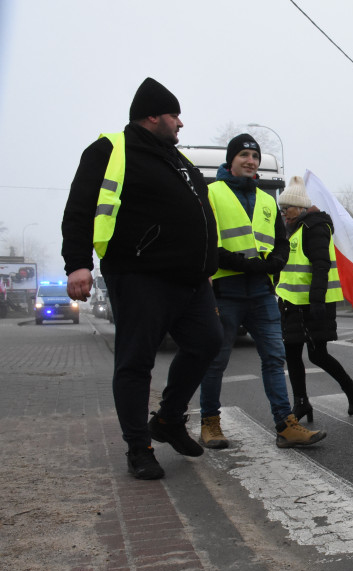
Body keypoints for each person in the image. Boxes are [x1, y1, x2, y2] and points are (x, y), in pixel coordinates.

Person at [61, 77, 223, 480]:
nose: (180, 123)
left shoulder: (177, 160)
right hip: (140, 274)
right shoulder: (111, 150)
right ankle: (139, 447)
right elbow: (80, 205)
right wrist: (77, 263)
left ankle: (168, 420)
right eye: (174, 115)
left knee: (207, 342)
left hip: (191, 281)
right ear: (152, 115)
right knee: (135, 363)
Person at [198, 136, 325, 450]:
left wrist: (278, 261)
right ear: (231, 160)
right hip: (226, 290)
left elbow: (280, 242)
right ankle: (210, 423)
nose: (251, 160)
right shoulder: (212, 193)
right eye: (244, 154)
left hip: (261, 293)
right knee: (216, 360)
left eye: (254, 155)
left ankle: (285, 425)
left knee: (274, 358)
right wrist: (245, 264)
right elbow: (206, 243)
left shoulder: (268, 200)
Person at [276, 176, 353, 418]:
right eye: (282, 209)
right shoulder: (293, 229)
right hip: (292, 303)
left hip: (313, 304)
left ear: (303, 208)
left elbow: (320, 265)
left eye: (288, 208)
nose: (284, 213)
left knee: (317, 354)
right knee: (292, 353)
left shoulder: (315, 227)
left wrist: (316, 301)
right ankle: (302, 402)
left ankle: (351, 389)